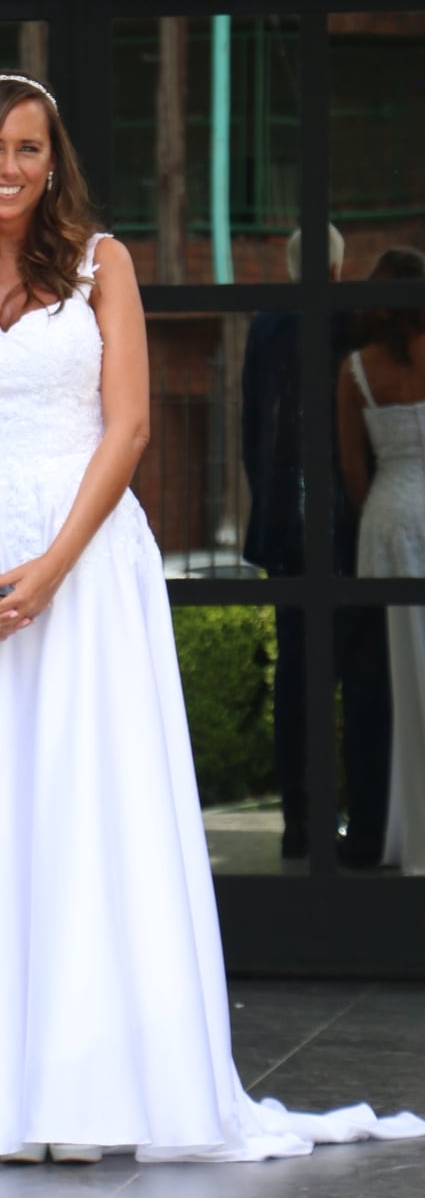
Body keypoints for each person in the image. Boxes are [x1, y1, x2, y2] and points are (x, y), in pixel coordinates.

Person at [0, 72, 425, 1163]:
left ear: (57, 163)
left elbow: (133, 427)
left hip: (85, 564)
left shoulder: (106, 262)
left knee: (90, 811)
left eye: (31, 149)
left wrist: (50, 568)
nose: (10, 167)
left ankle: (97, 1092)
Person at [241, 226, 391, 866]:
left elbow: (253, 423)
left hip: (285, 528)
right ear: (337, 269)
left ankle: (300, 819)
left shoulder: (265, 325)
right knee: (361, 676)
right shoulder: (348, 324)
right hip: (347, 526)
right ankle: (364, 818)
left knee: (298, 678)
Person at [337, 246, 425, 876]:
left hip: (387, 518)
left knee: (383, 680)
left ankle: (379, 826)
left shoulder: (355, 370)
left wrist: (379, 510)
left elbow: (351, 470)